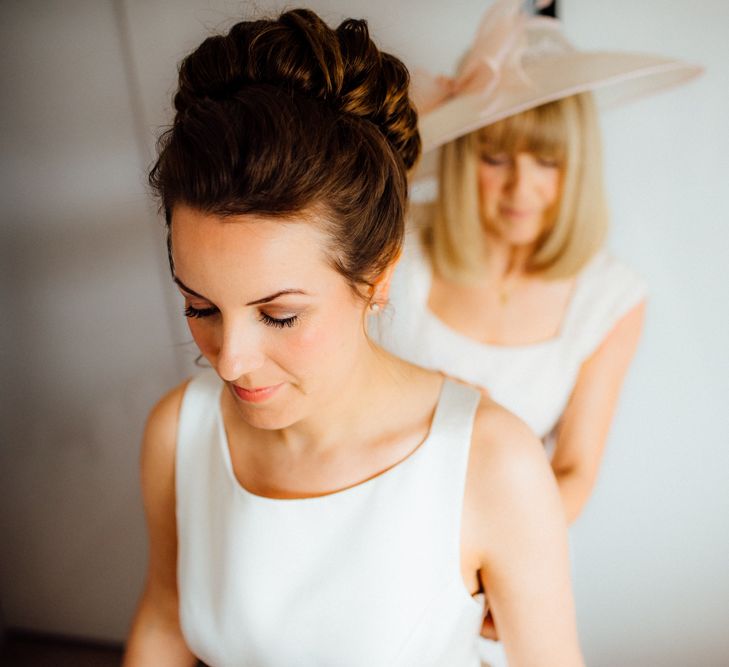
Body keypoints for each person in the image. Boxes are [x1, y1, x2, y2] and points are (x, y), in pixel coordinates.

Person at [121, 8, 583, 667]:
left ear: (378, 274)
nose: (230, 360)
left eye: (279, 314)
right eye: (200, 306)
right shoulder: (177, 434)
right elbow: (166, 624)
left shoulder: (490, 464)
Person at [371, 2, 700, 664]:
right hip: (373, 526)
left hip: (497, 561)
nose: (522, 187)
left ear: (574, 165)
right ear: (465, 154)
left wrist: (507, 560)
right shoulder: (398, 247)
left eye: (546, 163)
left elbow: (573, 464)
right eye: (496, 157)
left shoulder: (609, 299)